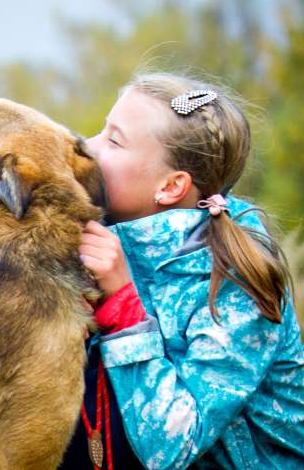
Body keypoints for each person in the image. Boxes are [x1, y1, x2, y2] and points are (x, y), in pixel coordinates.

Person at [70, 72, 304, 469]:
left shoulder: (236, 282)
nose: (85, 146)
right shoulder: (110, 238)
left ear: (171, 187)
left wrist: (125, 309)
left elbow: (171, 449)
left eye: (113, 140)